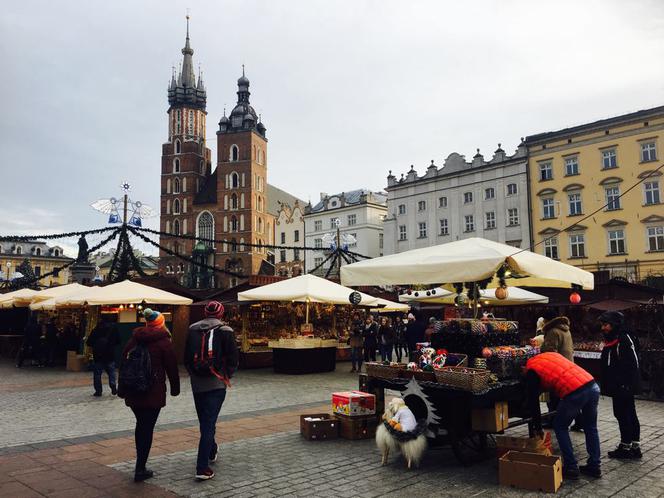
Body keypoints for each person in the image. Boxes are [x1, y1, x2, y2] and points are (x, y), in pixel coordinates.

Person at [118, 309, 180, 483]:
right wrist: (175, 389)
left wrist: (121, 389)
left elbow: (123, 366)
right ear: (161, 324)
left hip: (133, 391)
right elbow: (172, 368)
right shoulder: (164, 342)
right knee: (147, 427)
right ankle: (140, 467)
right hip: (153, 392)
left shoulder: (133, 340)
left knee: (141, 425)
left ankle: (140, 465)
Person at [524, 352, 601, 480]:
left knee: (560, 426)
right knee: (591, 427)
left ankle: (571, 466)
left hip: (574, 391)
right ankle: (594, 466)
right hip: (592, 385)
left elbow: (533, 402)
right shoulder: (549, 356)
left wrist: (537, 427)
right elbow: (557, 378)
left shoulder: (531, 369)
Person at [185, 301, 239, 481]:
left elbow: (186, 357)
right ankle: (202, 467)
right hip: (216, 383)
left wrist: (194, 373)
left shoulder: (193, 329)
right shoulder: (226, 331)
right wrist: (226, 375)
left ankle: (212, 449)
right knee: (208, 423)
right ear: (221, 313)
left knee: (205, 420)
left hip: (197, 384)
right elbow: (233, 357)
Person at [598, 311, 642, 460]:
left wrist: (625, 384)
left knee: (623, 414)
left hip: (623, 385)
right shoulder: (615, 338)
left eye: (606, 325)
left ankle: (626, 447)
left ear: (614, 324)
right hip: (621, 385)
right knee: (628, 413)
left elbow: (632, 363)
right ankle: (634, 446)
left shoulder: (623, 339)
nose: (603, 328)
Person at [539, 308, 583, 431]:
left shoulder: (553, 331)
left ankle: (554, 420)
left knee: (555, 397)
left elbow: (550, 352)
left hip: (558, 368)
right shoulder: (565, 329)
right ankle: (580, 421)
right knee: (568, 396)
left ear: (547, 320)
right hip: (568, 365)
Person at [87, 317, 120, 396]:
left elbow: (89, 342)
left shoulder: (96, 329)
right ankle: (113, 386)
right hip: (110, 354)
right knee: (111, 372)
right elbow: (119, 341)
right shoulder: (113, 329)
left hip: (98, 355)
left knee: (97, 374)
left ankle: (98, 391)